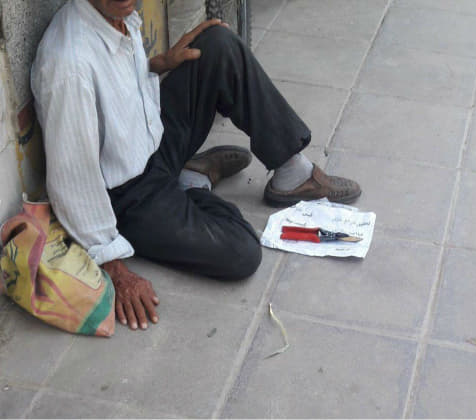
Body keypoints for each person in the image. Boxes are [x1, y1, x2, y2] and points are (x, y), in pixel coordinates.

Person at [31, 0, 362, 331]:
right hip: (130, 195)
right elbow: (73, 176)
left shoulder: (116, 13)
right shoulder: (69, 64)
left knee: (217, 45)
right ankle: (190, 185)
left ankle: (293, 173)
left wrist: (159, 65)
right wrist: (113, 267)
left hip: (150, 139)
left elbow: (111, 89)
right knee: (241, 253)